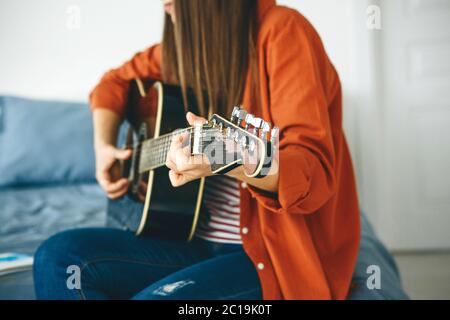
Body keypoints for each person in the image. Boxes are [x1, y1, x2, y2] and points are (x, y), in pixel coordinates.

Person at [33, 0, 360, 300]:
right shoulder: (186, 50)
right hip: (188, 240)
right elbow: (112, 83)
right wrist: (103, 146)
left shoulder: (283, 31)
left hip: (266, 257)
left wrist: (223, 156)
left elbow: (310, 173)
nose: (164, 3)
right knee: (58, 256)